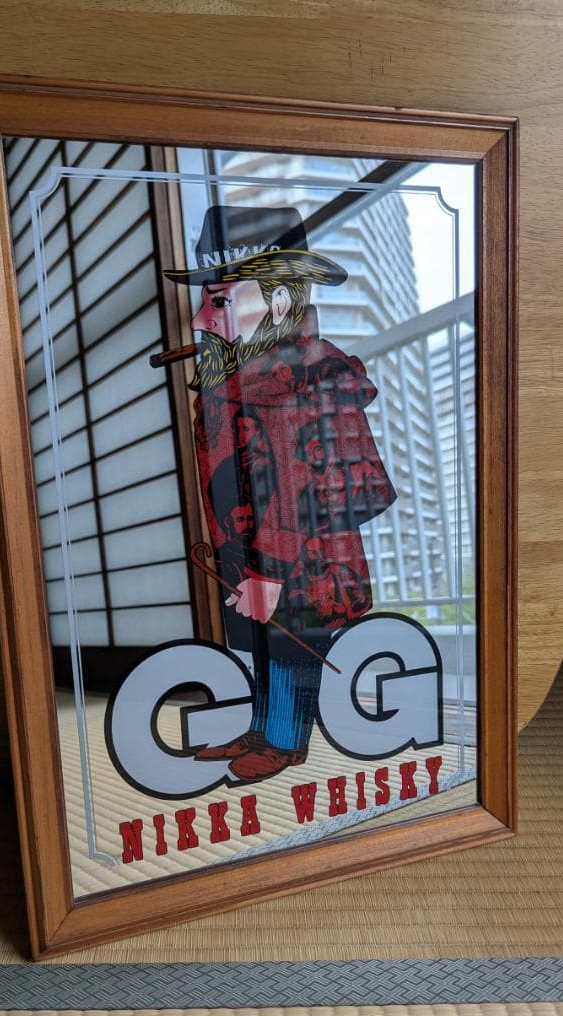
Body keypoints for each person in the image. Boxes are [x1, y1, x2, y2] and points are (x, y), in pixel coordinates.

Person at [163, 205, 396, 782]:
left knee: (293, 641)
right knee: (267, 645)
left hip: (300, 555)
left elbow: (307, 487)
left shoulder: (308, 377)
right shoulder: (237, 380)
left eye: (219, 302)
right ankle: (266, 728)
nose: (199, 319)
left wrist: (270, 571)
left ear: (278, 302)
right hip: (253, 548)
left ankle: (287, 740)